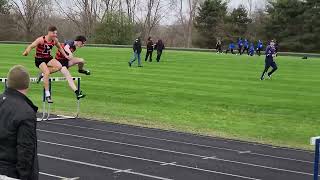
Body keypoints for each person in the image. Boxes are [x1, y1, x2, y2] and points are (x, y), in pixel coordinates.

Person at [0, 65, 38, 180]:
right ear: (27, 84)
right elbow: (25, 150)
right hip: (11, 173)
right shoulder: (26, 112)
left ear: (8, 83)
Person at [22, 26, 69, 103]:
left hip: (48, 58)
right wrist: (26, 52)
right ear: (49, 32)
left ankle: (42, 74)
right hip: (39, 59)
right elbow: (31, 46)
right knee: (47, 72)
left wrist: (65, 55)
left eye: (56, 33)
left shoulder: (55, 40)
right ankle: (48, 95)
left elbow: (60, 48)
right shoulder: (41, 40)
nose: (55, 35)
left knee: (59, 66)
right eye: (54, 33)